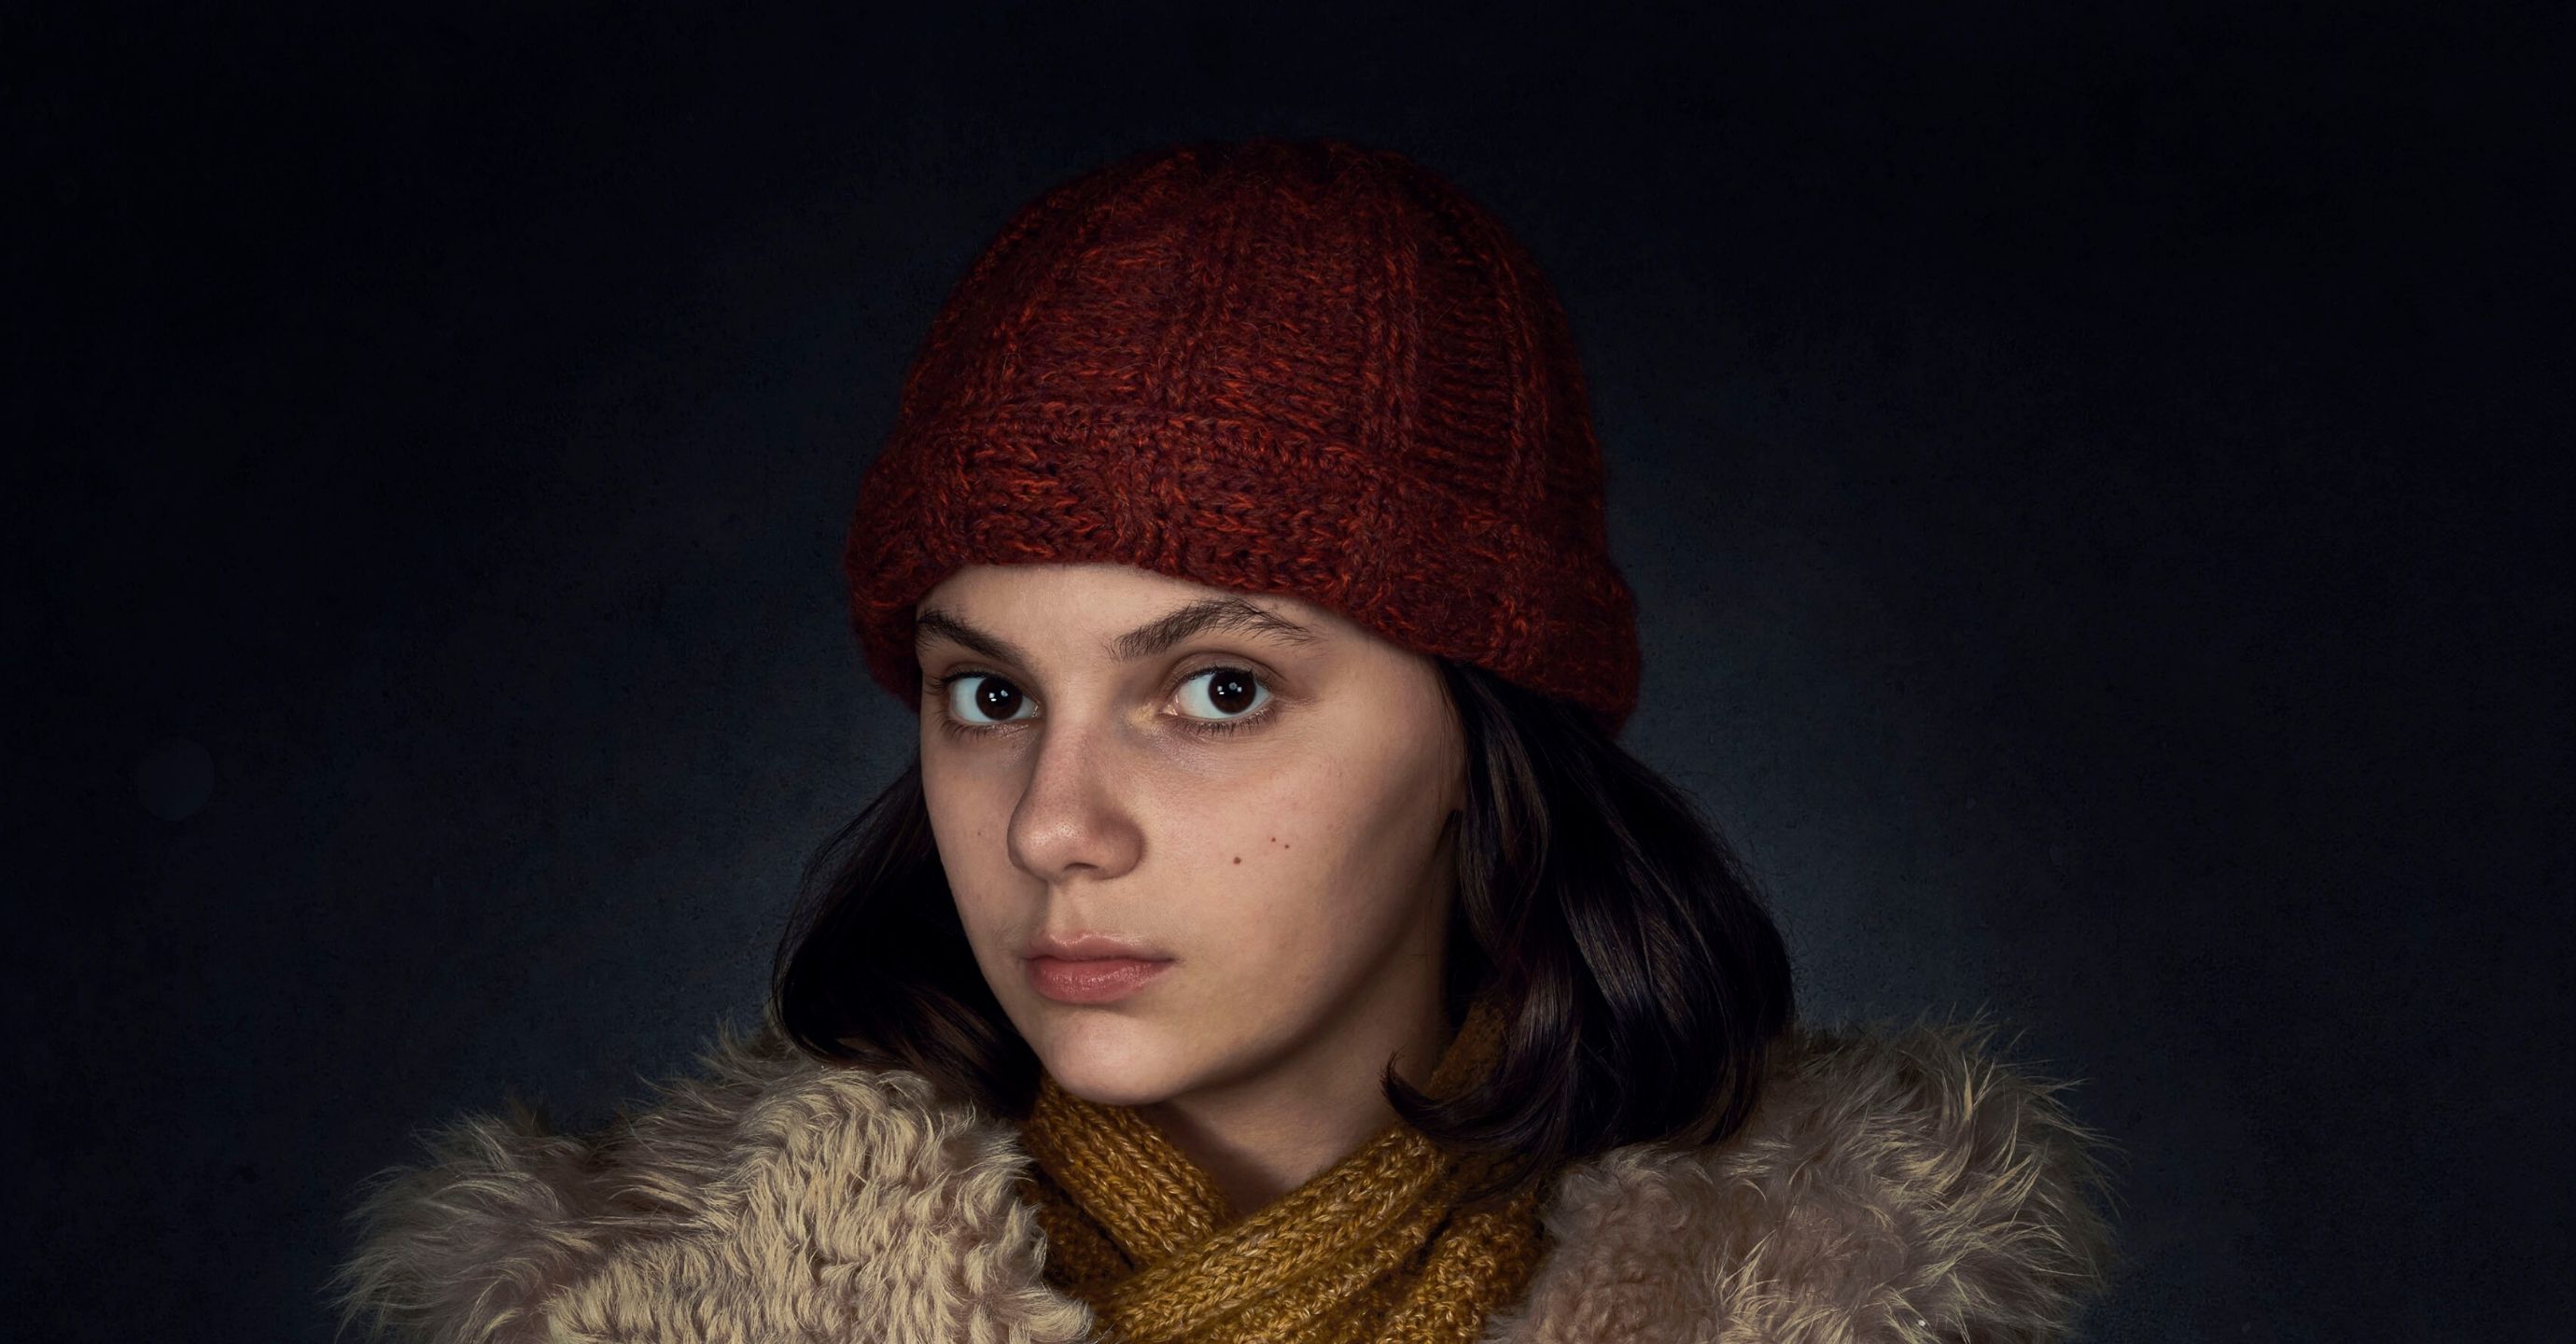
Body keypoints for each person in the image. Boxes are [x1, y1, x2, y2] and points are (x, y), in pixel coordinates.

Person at [335, 136, 2117, 1343]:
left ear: (1482, 739)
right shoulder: (618, 1309)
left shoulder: (1860, 1301)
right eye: (992, 695)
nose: (1053, 827)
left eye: (1219, 691)